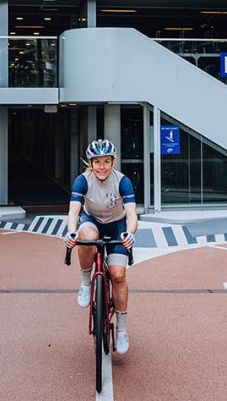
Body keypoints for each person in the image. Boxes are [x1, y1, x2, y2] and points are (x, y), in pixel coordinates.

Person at [63, 138, 138, 355]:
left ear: (112, 162)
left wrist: (129, 233)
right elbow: (73, 213)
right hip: (92, 221)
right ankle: (86, 283)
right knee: (85, 236)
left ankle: (122, 330)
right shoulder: (82, 181)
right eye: (97, 162)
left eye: (106, 161)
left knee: (117, 275)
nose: (102, 167)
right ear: (91, 163)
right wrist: (71, 232)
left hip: (117, 226)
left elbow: (132, 214)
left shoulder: (122, 181)